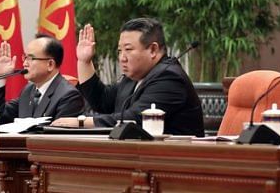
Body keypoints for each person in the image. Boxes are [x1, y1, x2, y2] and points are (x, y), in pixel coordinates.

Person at [51, 17, 205, 137]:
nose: (122, 58)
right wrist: (85, 61)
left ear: (153, 50)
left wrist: (80, 122)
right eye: (119, 51)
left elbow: (135, 119)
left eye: (128, 50)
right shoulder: (135, 76)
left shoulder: (169, 78)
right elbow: (102, 101)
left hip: (175, 165)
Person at [0, 34, 84, 124]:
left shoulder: (68, 96)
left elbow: (58, 136)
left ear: (50, 64)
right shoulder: (28, 90)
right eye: (25, 57)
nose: (24, 64)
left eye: (31, 58)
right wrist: (0, 76)